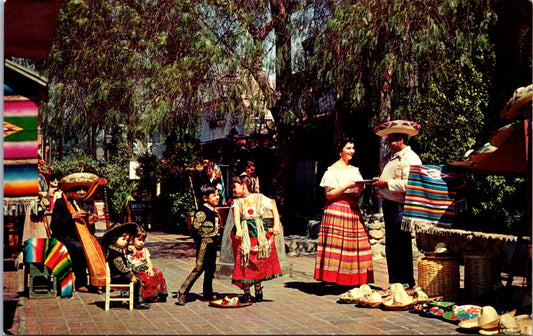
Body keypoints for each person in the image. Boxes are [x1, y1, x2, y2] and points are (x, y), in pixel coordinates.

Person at [314, 136, 374, 286]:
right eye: (348, 148)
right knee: (338, 245)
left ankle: (353, 279)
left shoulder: (354, 170)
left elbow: (356, 193)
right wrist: (346, 186)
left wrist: (358, 189)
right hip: (336, 209)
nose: (352, 151)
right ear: (340, 150)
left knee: (356, 244)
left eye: (353, 148)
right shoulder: (332, 170)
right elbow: (329, 194)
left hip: (352, 209)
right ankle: (337, 279)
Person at [371, 120, 422, 289]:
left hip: (400, 207)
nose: (388, 144)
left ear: (400, 140)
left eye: (391, 140)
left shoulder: (411, 159)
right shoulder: (394, 158)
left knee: (401, 244)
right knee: (392, 245)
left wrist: (386, 184)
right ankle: (395, 281)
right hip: (391, 205)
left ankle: (406, 281)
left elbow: (411, 185)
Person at [230, 175, 282, 302]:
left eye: (235, 187)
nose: (233, 190)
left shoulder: (259, 197)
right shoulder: (236, 202)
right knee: (244, 259)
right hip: (244, 233)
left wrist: (276, 225)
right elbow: (237, 217)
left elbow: (273, 207)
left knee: (259, 259)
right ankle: (246, 291)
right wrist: (238, 229)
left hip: (258, 232)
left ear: (244, 185)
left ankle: (258, 287)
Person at [176, 184, 222, 305]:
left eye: (218, 195)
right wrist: (201, 240)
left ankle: (208, 294)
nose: (217, 197)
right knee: (199, 267)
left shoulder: (212, 210)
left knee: (211, 269)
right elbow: (195, 229)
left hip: (212, 245)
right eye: (214, 195)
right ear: (205, 198)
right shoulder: (202, 211)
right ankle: (182, 292)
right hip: (204, 245)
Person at [50, 185, 97, 293]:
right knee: (78, 247)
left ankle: (98, 279)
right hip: (62, 237)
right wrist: (72, 216)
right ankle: (81, 283)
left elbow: (88, 229)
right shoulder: (61, 203)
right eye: (78, 190)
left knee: (96, 244)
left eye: (84, 190)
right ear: (70, 191)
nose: (82, 192)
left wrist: (91, 222)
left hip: (78, 237)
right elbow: (55, 225)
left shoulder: (86, 205)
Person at [102, 222, 150, 309]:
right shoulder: (114, 253)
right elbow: (122, 268)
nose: (125, 242)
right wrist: (130, 276)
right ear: (114, 239)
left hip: (119, 275)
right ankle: (137, 302)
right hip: (117, 277)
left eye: (127, 240)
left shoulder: (117, 250)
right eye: (123, 239)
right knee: (137, 282)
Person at [127, 225, 168, 303]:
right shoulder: (129, 249)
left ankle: (159, 294)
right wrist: (131, 249)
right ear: (132, 239)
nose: (141, 243)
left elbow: (148, 260)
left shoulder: (144, 250)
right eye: (139, 240)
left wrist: (150, 268)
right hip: (136, 269)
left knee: (158, 273)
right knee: (147, 277)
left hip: (144, 267)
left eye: (143, 240)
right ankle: (147, 296)